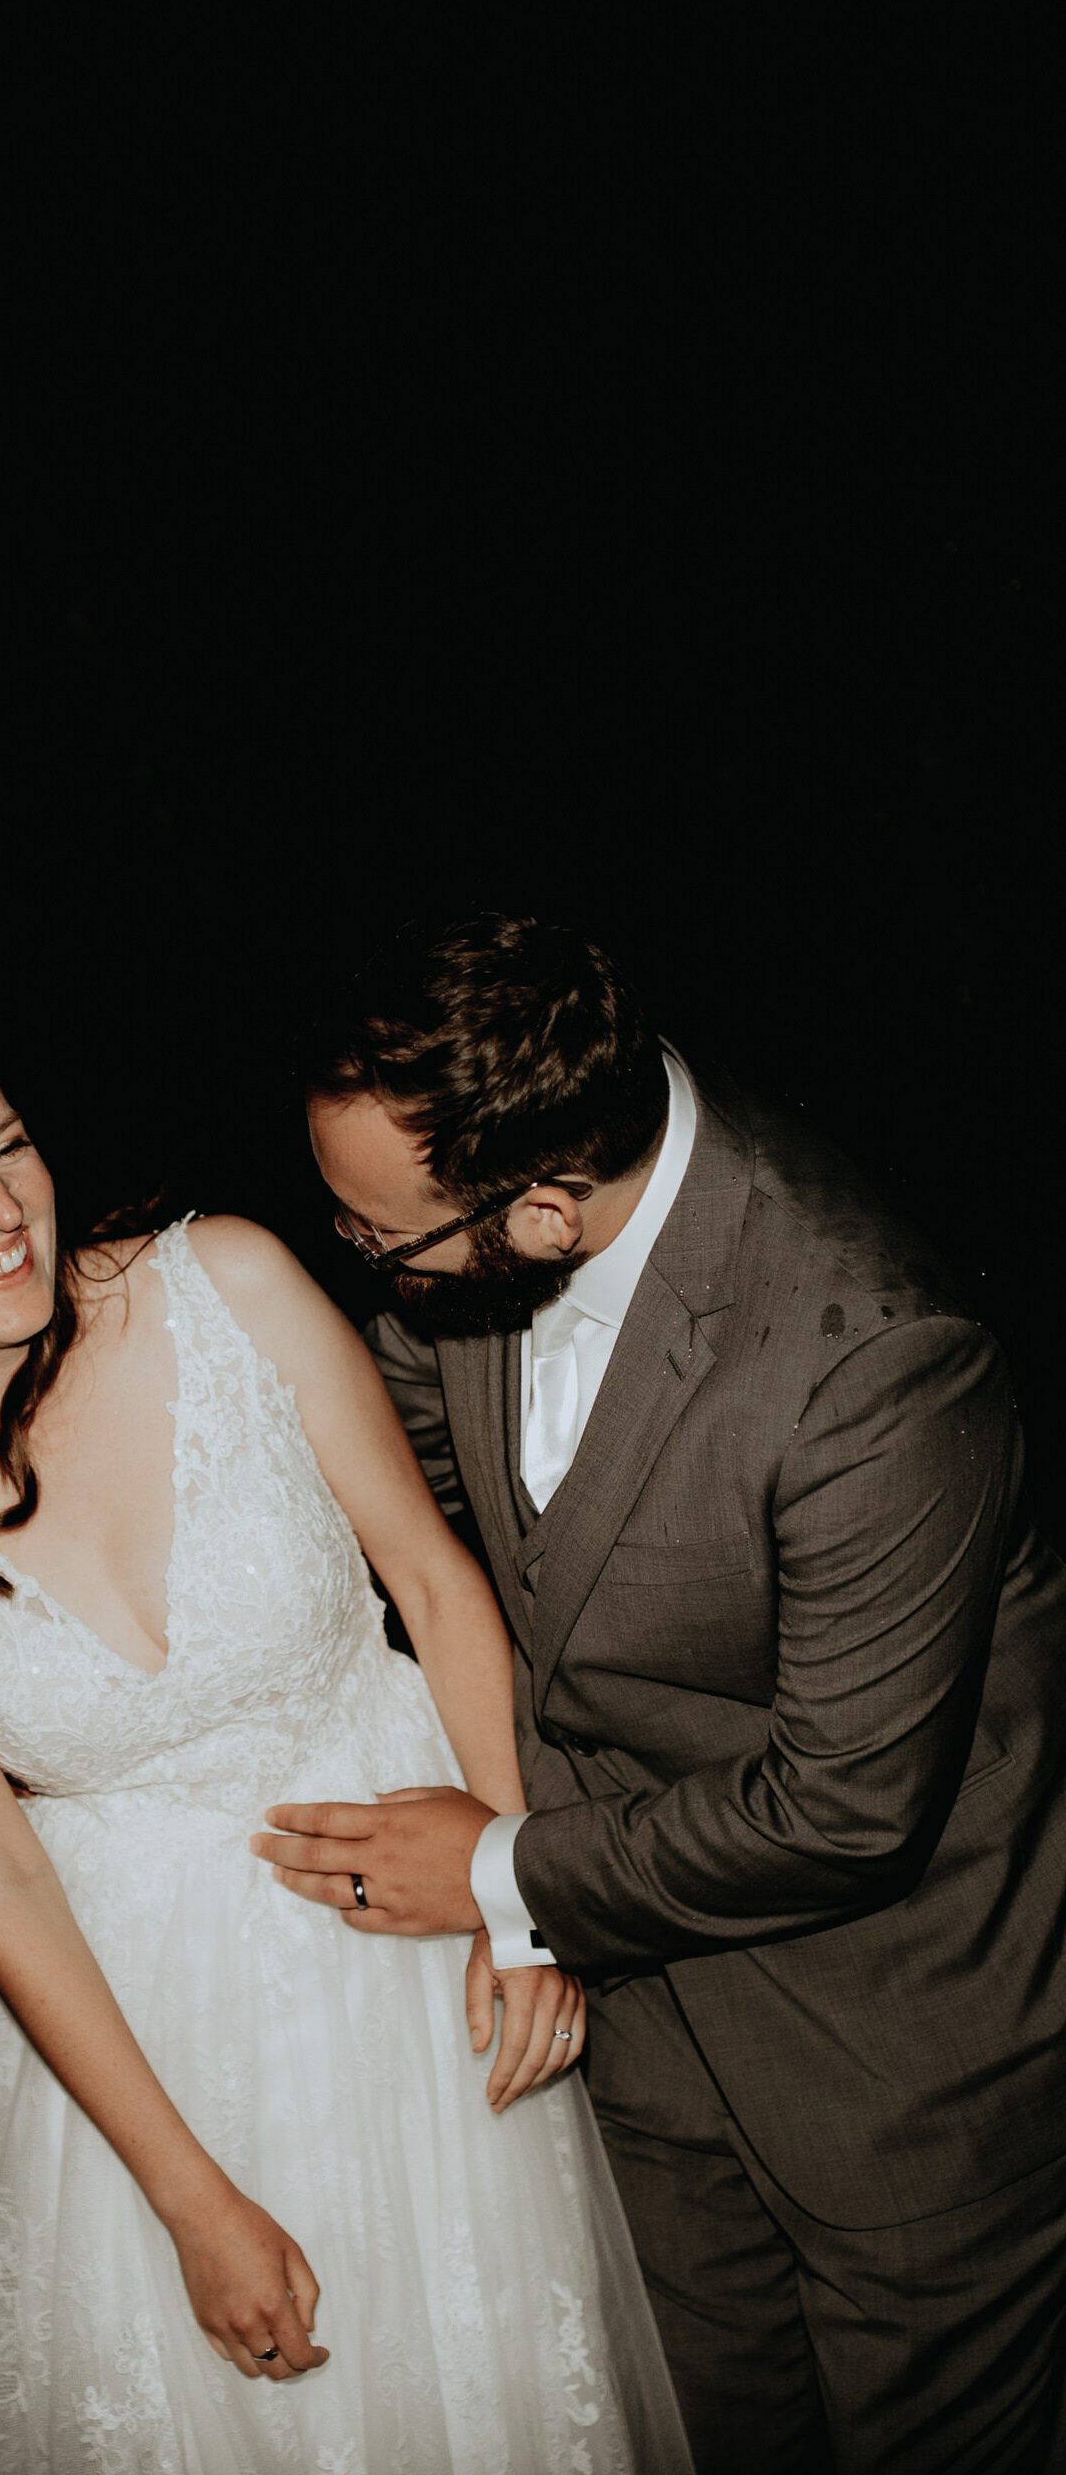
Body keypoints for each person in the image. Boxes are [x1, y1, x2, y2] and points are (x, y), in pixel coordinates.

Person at [0, 1006, 693, 2473]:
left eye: (9, 1151)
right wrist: (191, 2201)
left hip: (415, 1952)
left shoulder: (227, 1278)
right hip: (134, 2045)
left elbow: (437, 1584)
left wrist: (520, 1896)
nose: (0, 1212)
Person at [255, 914, 1066, 2475]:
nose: (360, 1268)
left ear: (547, 1215)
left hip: (896, 2070)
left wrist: (494, 1867)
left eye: (377, 1245)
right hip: (640, 2050)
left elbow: (847, 1810)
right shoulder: (482, 1230)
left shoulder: (881, 1355)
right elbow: (440, 1494)